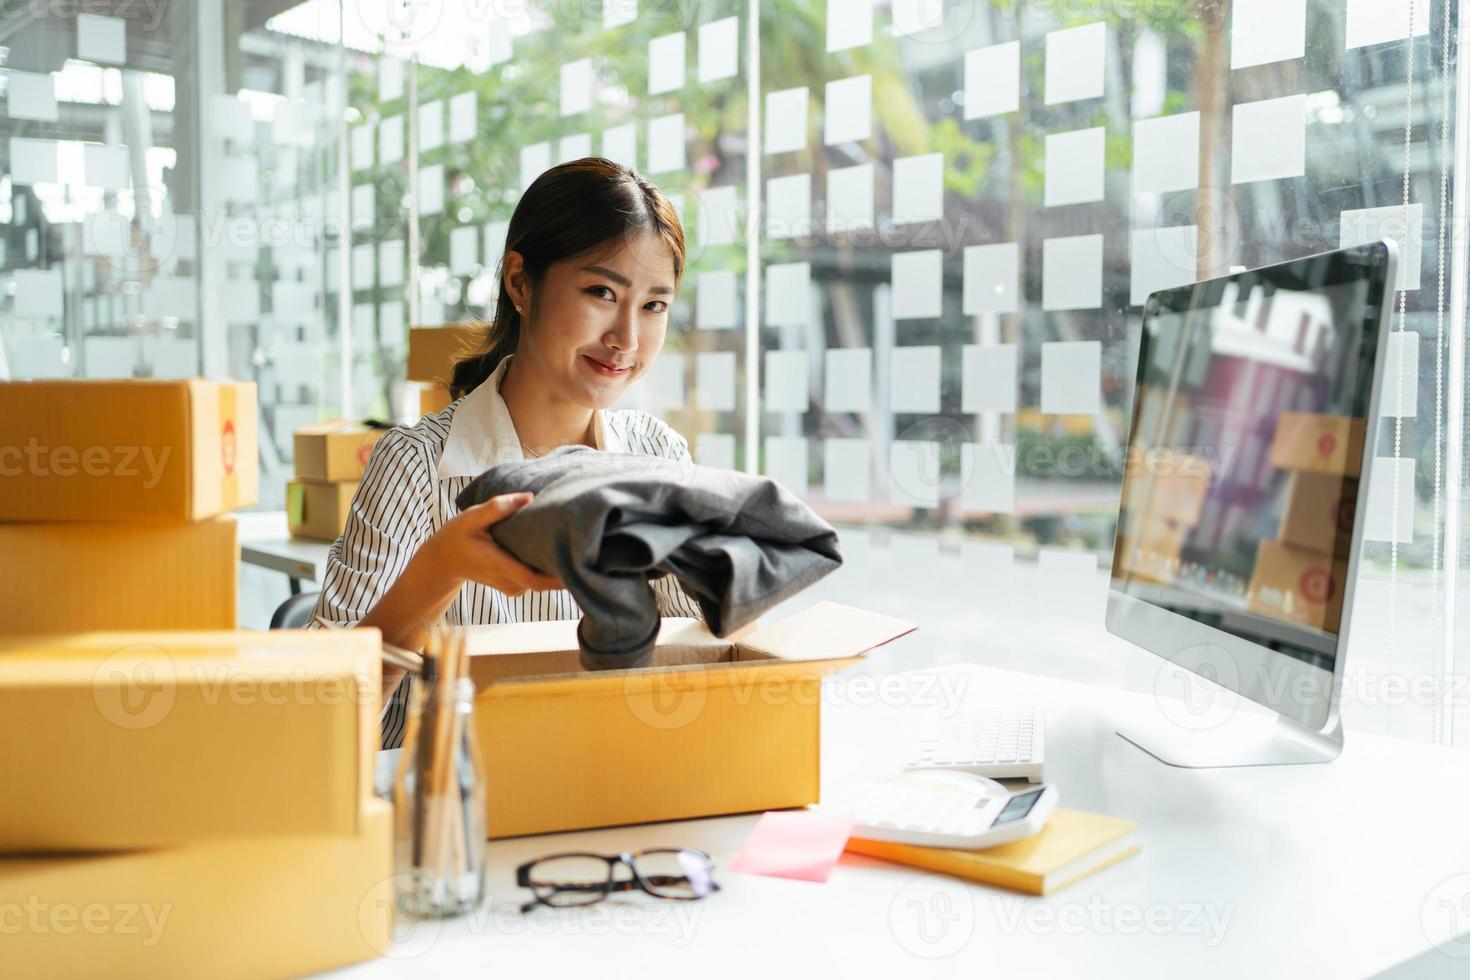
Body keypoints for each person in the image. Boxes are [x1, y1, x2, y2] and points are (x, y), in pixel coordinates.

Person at [309, 157, 704, 747]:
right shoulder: (415, 466)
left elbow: (701, 663)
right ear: (520, 282)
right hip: (460, 809)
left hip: (614, 790)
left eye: (654, 305)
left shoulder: (659, 456)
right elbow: (319, 716)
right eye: (602, 291)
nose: (627, 338)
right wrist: (439, 568)